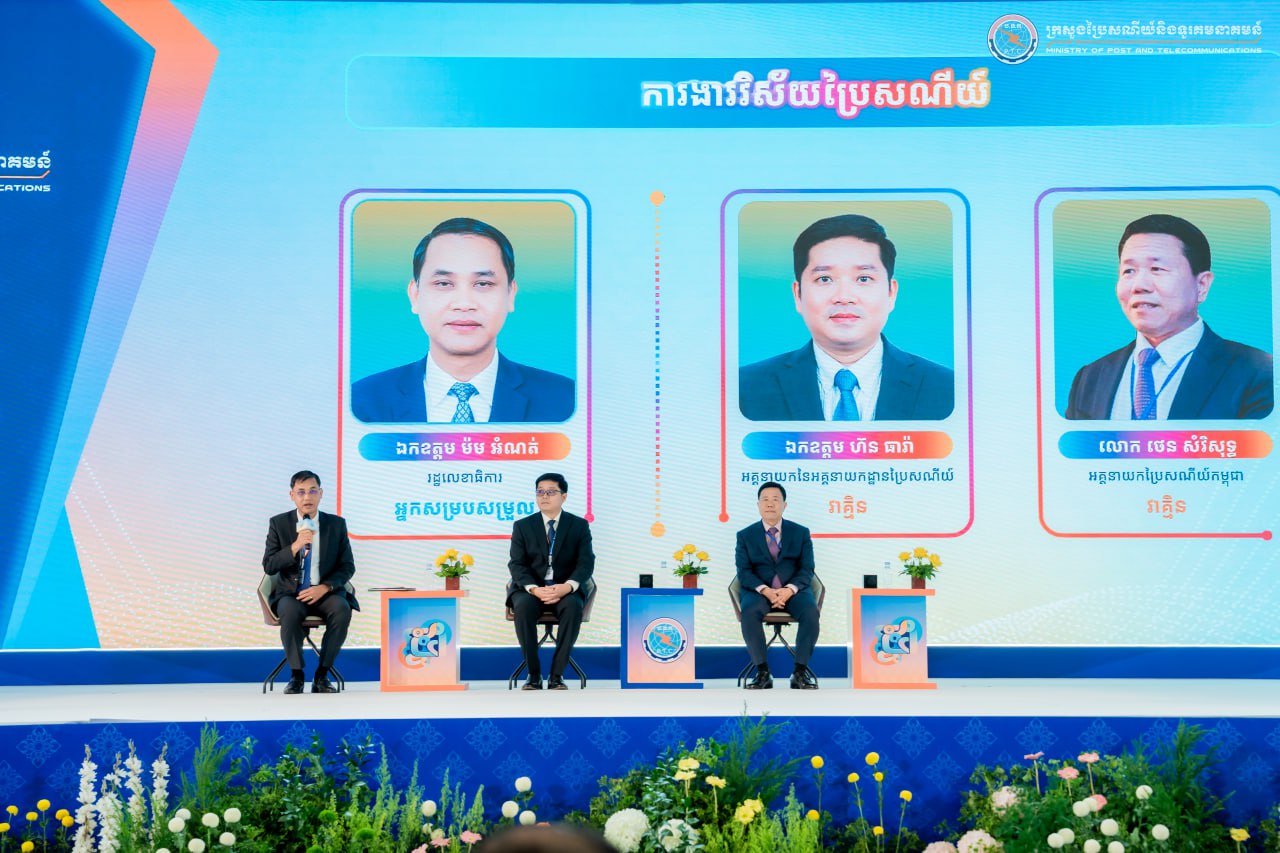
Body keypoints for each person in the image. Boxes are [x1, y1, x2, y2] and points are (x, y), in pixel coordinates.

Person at [351, 217, 575, 423]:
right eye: (443, 283)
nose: (464, 304)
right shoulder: (361, 403)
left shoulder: (567, 402)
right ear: (415, 295)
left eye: (483, 284)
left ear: (510, 294)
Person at [739, 213, 954, 421]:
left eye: (863, 278)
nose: (844, 297)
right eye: (824, 279)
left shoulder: (948, 389)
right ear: (798, 295)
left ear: (891, 293)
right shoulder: (744, 388)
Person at [1066, 213, 1273, 420]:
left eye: (1157, 269)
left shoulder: (1259, 373)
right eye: (1129, 271)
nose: (1139, 285)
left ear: (1201, 285)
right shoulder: (1090, 378)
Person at [262, 470, 359, 694]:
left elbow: (347, 566)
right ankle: (296, 675)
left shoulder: (336, 524)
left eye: (313, 491)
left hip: (325, 592)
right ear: (292, 495)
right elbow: (269, 565)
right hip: (292, 593)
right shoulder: (279, 523)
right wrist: (295, 546)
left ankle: (322, 675)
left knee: (342, 609)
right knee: (289, 612)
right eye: (301, 492)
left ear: (321, 493)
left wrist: (325, 587)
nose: (307, 497)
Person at [507, 473, 595, 690]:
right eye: (540, 492)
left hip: (565, 589)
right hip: (531, 590)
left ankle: (557, 675)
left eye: (550, 492)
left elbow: (586, 563)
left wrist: (567, 587)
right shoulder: (523, 526)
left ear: (563, 496)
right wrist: (534, 589)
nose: (544, 496)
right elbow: (517, 564)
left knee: (573, 607)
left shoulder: (578, 525)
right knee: (523, 606)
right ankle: (533, 675)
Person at [734, 481, 819, 689]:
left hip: (794, 591)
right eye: (765, 499)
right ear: (758, 505)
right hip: (760, 592)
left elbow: (807, 568)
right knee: (749, 611)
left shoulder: (801, 532)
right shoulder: (745, 535)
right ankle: (762, 673)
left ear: (784, 505)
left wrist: (789, 590)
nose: (770, 504)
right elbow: (744, 572)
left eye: (775, 499)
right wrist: (766, 591)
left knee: (810, 612)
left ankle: (799, 673)